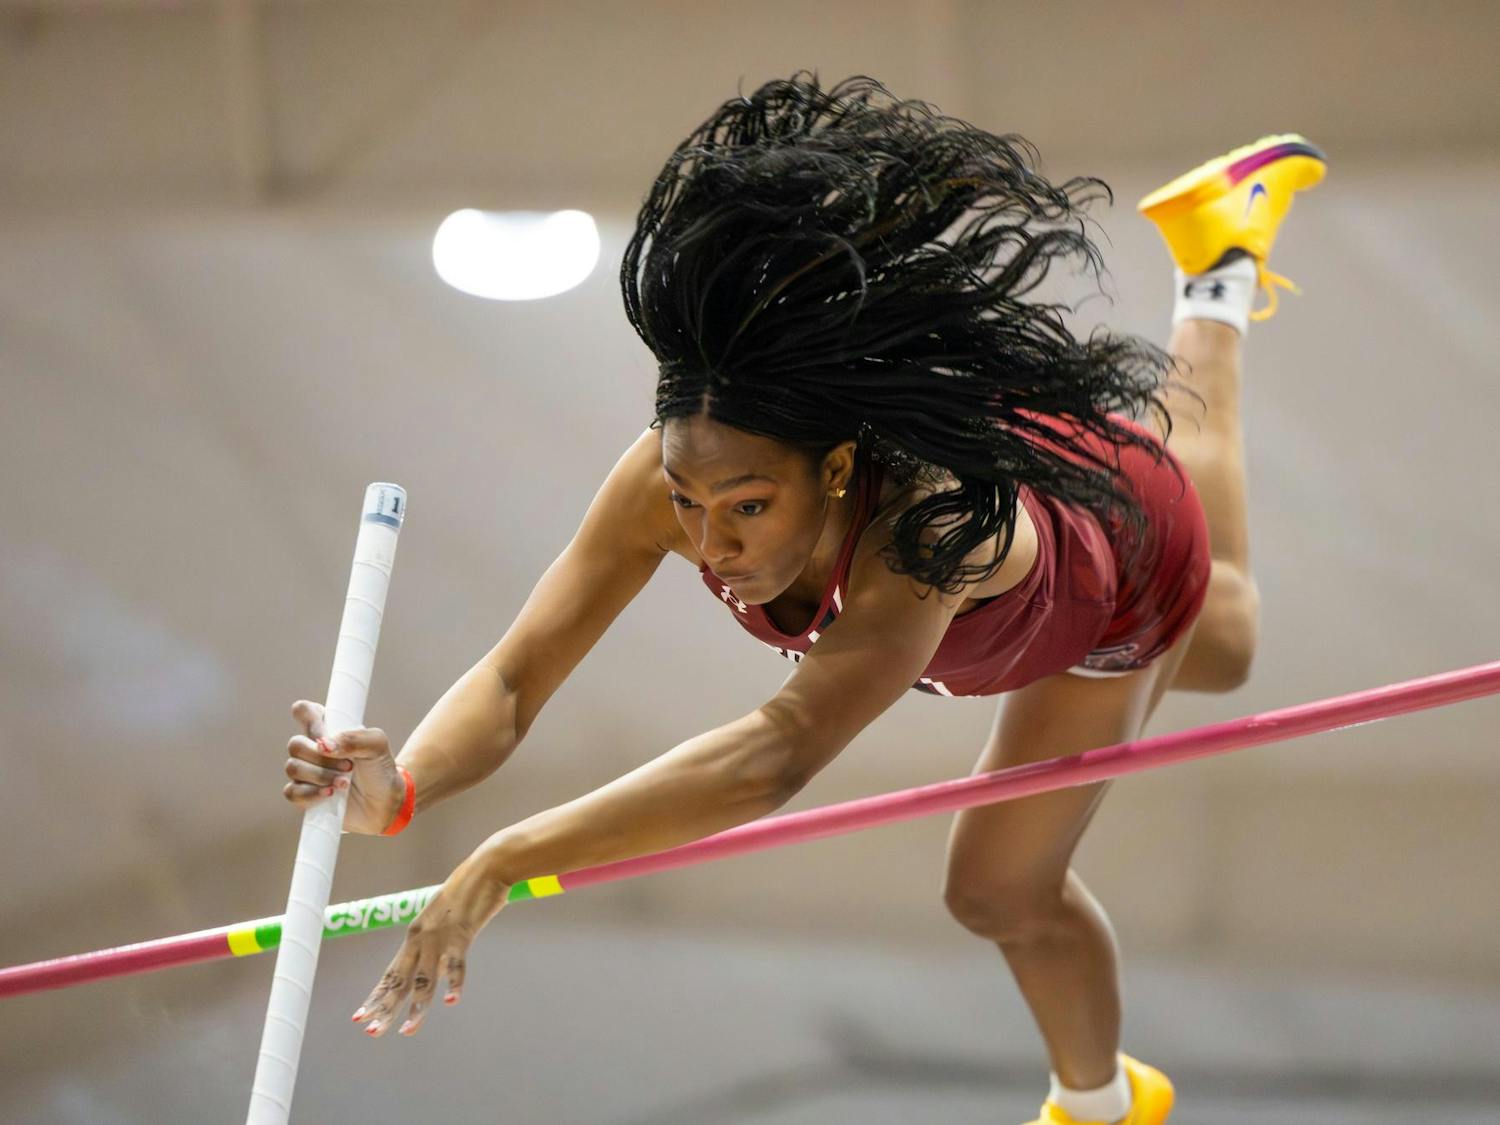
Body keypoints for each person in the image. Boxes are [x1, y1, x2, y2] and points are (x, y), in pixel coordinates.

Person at [279, 74, 1324, 1125]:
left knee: (1058, 821)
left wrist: (507, 857)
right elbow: (513, 681)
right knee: (1210, 662)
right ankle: (1219, 254)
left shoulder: (926, 531)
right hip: (1020, 505)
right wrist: (402, 788)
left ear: (833, 471)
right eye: (688, 501)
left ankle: (1104, 1109)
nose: (708, 540)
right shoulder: (668, 478)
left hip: (1116, 553)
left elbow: (775, 757)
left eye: (745, 507)